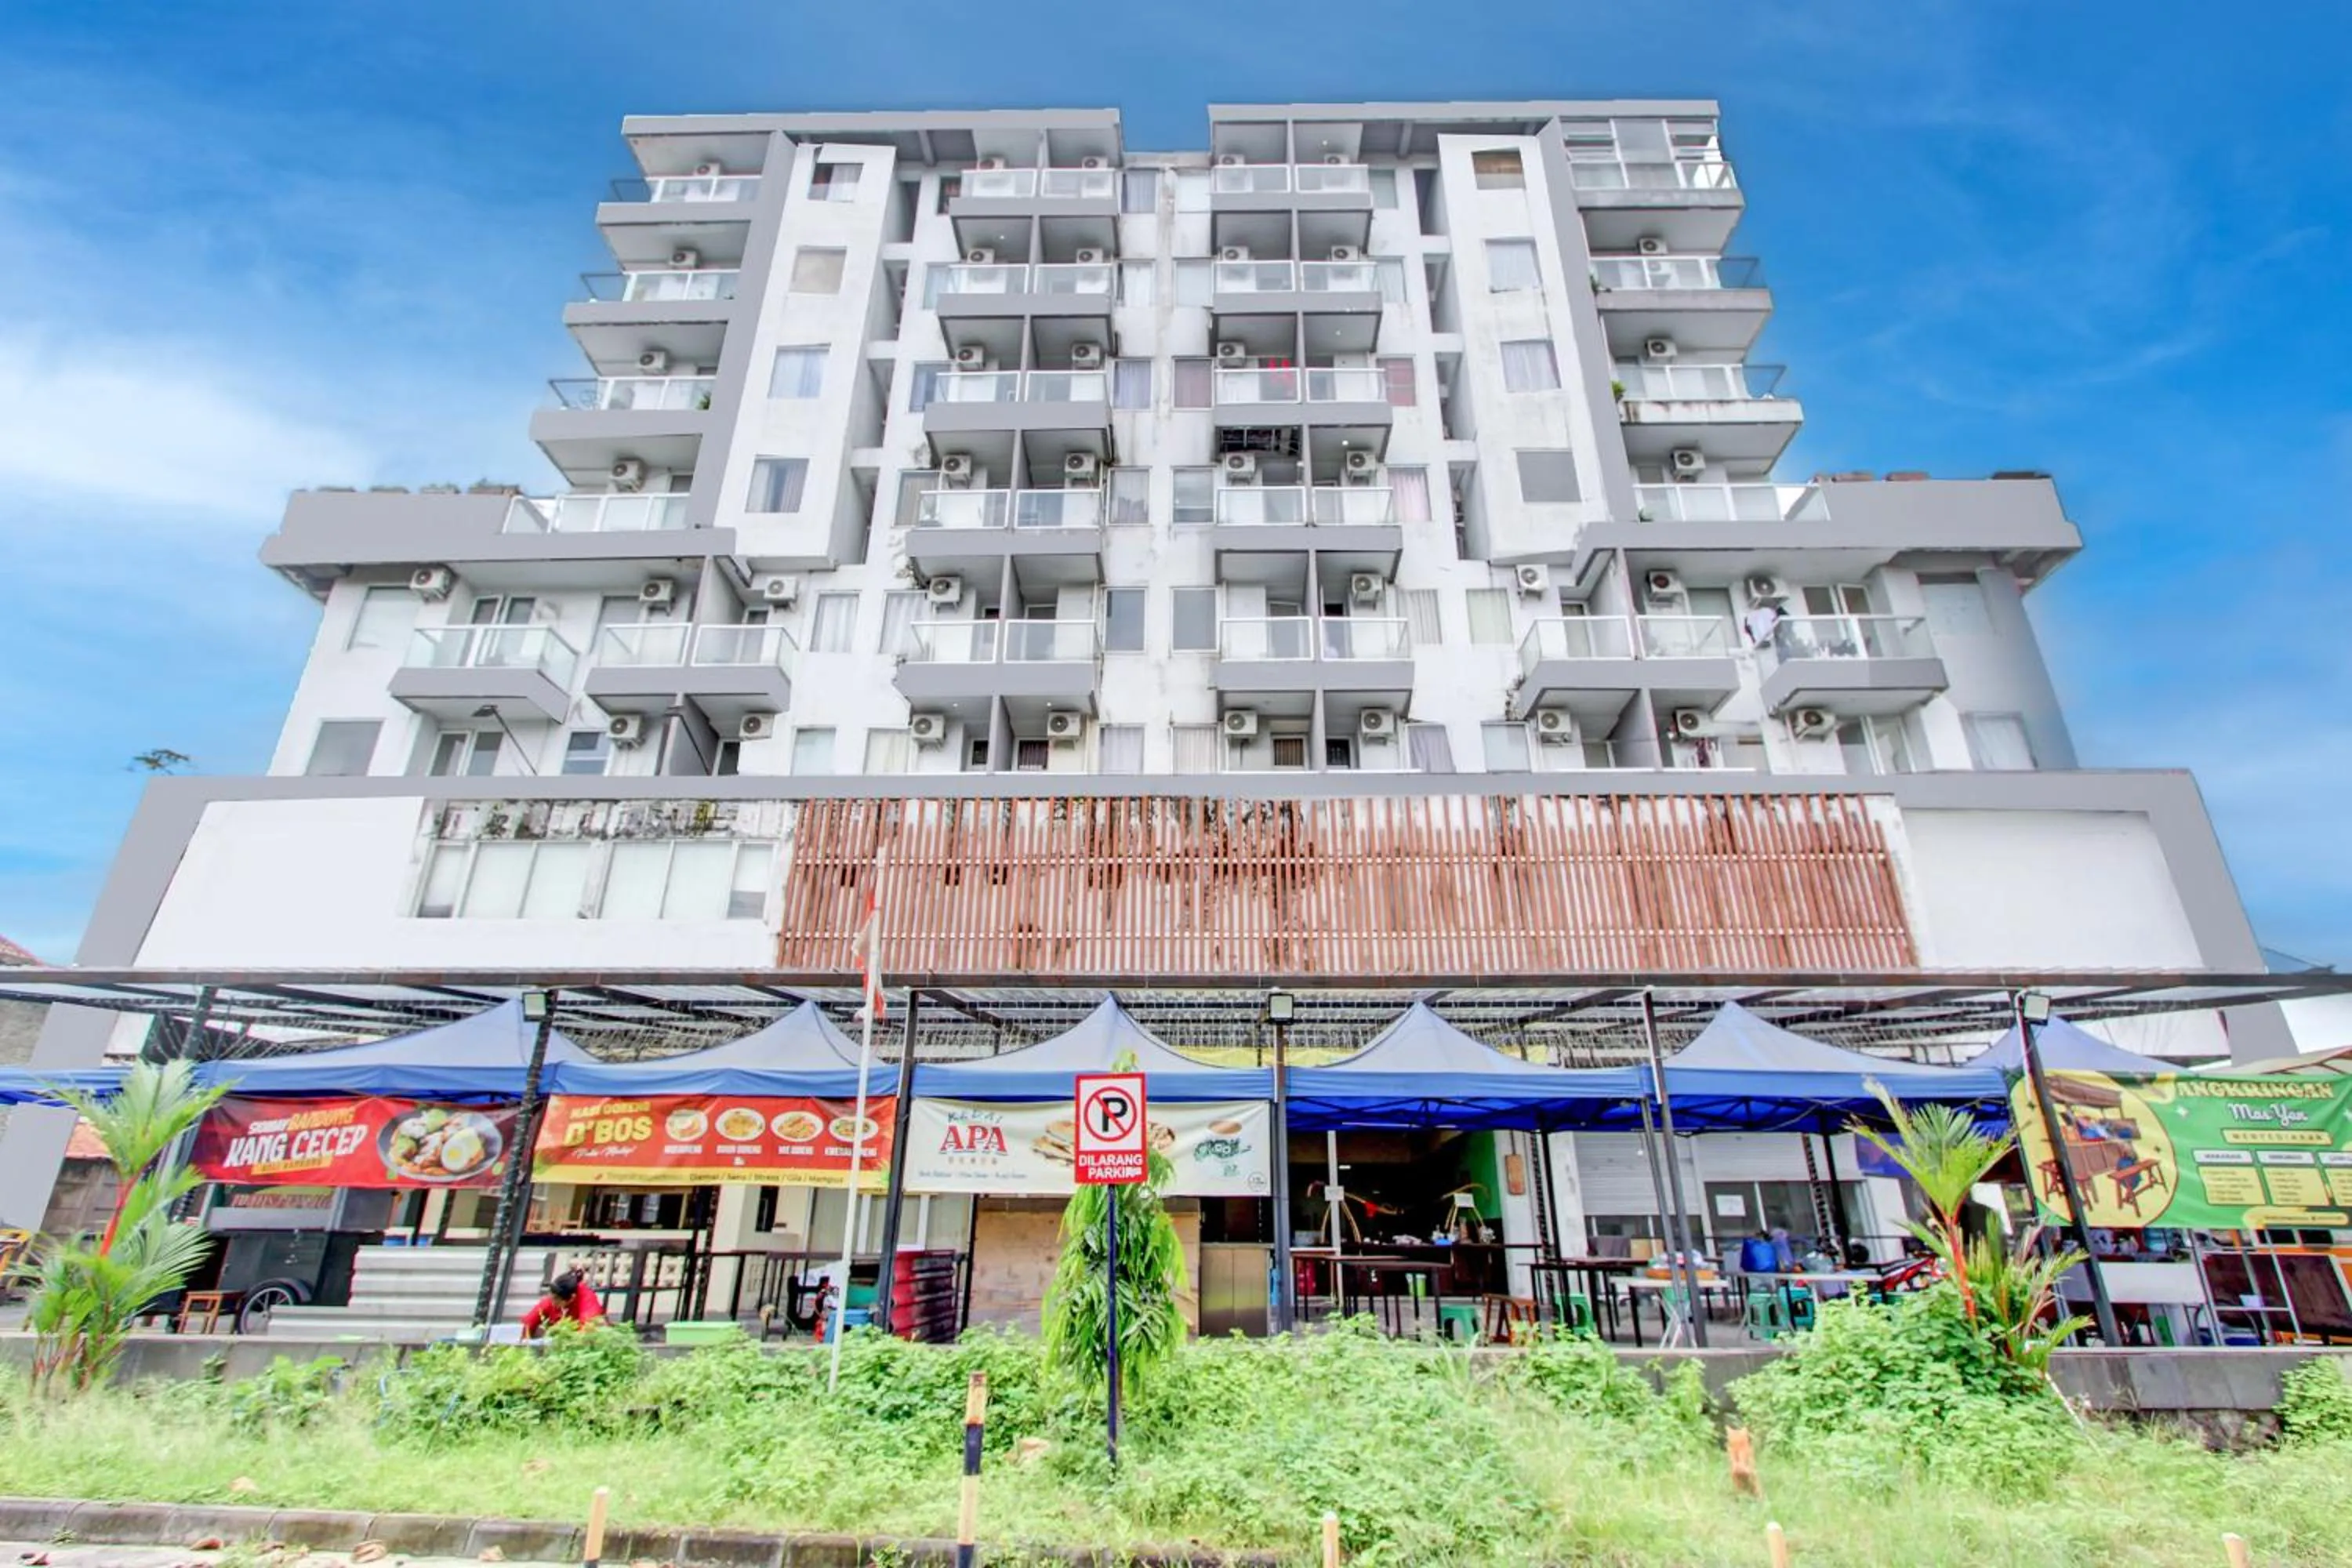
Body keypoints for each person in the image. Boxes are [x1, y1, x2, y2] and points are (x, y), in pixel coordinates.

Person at [520, 1269, 606, 1339]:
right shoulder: (551, 1301)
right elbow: (529, 1323)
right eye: (551, 1297)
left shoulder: (587, 1299)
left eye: (556, 1299)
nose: (552, 1302)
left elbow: (589, 1328)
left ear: (572, 1298)